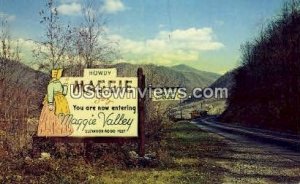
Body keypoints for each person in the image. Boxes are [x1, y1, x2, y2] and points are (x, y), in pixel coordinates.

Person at [37, 69, 73, 136]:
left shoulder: (59, 83)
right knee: (51, 117)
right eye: (60, 74)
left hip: (61, 102)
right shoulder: (51, 84)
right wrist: (50, 104)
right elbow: (50, 94)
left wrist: (65, 86)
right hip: (54, 102)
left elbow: (64, 93)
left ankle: (61, 131)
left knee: (61, 116)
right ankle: (51, 131)